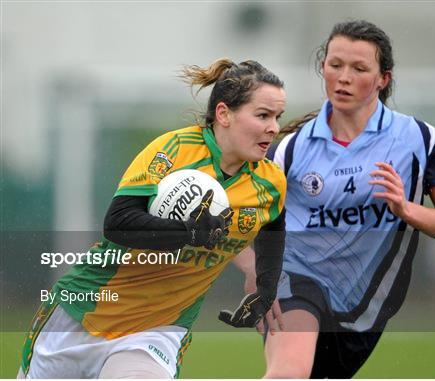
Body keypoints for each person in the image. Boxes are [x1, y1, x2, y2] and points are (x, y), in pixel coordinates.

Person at [18, 58, 287, 379]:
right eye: (263, 115)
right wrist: (186, 233)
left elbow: (273, 229)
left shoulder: (270, 182)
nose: (274, 128)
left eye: (277, 117)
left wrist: (265, 285)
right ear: (224, 113)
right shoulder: (174, 150)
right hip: (81, 314)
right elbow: (118, 223)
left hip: (155, 332)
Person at [234, 20, 435, 378]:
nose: (343, 77)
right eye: (335, 65)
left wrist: (406, 209)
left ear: (382, 79)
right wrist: (254, 269)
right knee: (289, 373)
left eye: (359, 69)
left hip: (363, 307)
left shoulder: (420, 140)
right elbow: (237, 213)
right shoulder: (290, 149)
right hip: (293, 278)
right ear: (322, 67)